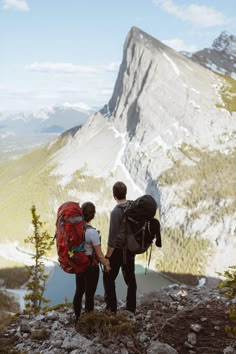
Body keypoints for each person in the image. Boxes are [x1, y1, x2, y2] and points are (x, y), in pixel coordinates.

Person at [73, 201, 111, 321]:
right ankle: (88, 319)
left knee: (79, 291)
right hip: (91, 267)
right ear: (93, 215)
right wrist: (107, 264)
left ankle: (77, 317)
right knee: (89, 294)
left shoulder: (76, 230)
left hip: (79, 265)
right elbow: (99, 255)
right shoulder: (92, 233)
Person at [103, 181, 137, 314]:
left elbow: (112, 239)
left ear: (114, 195)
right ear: (125, 193)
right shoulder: (133, 206)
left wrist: (107, 257)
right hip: (130, 250)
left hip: (117, 251)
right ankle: (131, 308)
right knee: (130, 278)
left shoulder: (115, 212)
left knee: (108, 277)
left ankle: (111, 309)